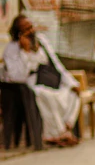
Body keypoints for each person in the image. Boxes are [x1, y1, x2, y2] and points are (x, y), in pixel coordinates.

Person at [2, 16, 81, 146]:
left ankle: (66, 129)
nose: (31, 31)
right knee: (47, 97)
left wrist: (72, 83)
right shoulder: (12, 50)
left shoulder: (41, 41)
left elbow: (56, 64)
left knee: (72, 94)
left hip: (50, 80)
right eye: (26, 29)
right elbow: (18, 76)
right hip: (31, 85)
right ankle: (56, 135)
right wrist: (25, 52)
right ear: (19, 33)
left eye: (31, 27)